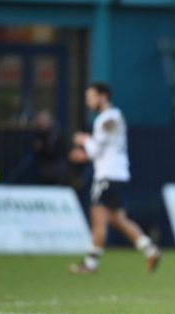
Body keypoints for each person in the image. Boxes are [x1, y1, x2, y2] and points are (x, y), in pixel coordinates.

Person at [68, 82, 160, 274]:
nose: (88, 102)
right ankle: (150, 250)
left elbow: (95, 150)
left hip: (107, 176)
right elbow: (103, 150)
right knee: (118, 220)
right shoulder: (115, 116)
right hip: (117, 175)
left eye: (91, 97)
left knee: (98, 218)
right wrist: (84, 154)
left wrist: (83, 140)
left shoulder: (105, 119)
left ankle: (90, 264)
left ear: (103, 96)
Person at [32, 110, 68, 185]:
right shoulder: (40, 133)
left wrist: (42, 147)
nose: (41, 125)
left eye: (43, 122)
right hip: (45, 172)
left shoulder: (56, 133)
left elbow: (53, 150)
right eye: (40, 123)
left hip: (57, 172)